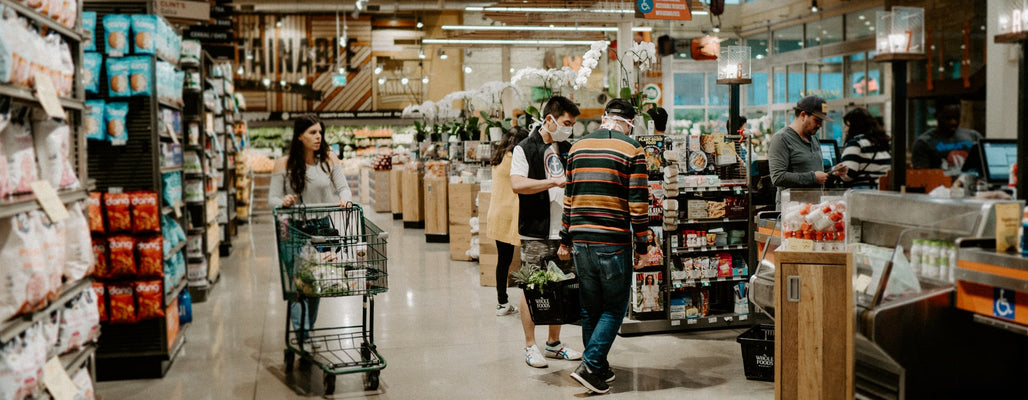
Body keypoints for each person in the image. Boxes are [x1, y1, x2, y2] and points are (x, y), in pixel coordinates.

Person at [559, 98, 649, 394]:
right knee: (614, 308)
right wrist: (643, 244)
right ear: (630, 123)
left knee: (590, 308)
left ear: (603, 118)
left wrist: (564, 238)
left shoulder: (576, 147)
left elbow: (568, 198)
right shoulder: (632, 149)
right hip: (612, 241)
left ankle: (598, 368)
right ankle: (590, 363)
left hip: (581, 239)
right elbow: (637, 202)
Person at [510, 95, 583, 368]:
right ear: (549, 119)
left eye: (572, 124)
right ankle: (530, 346)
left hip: (564, 231)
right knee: (533, 288)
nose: (569, 128)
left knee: (560, 287)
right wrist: (551, 182)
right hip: (536, 231)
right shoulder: (525, 148)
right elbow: (517, 184)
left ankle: (554, 343)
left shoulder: (569, 148)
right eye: (566, 122)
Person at [269, 114, 353, 347]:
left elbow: (344, 188)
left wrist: (345, 200)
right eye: (312, 133)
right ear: (299, 136)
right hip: (293, 228)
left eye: (320, 132)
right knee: (298, 283)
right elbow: (272, 199)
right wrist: (282, 201)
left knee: (317, 280)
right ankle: (304, 335)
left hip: (321, 228)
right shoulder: (283, 164)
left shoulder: (329, 159)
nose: (318, 137)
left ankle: (307, 330)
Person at [767, 95, 848, 210]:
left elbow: (812, 171)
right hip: (792, 211)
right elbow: (777, 177)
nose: (820, 125)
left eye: (821, 121)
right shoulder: (781, 139)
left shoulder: (813, 138)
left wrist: (833, 171)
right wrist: (813, 178)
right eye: (817, 120)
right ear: (803, 115)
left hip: (814, 209)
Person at [486, 126, 529, 316]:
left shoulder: (498, 158)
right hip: (512, 214)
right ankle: (530, 302)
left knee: (503, 260)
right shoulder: (515, 160)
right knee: (526, 259)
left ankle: (502, 302)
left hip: (497, 213)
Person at [911, 98, 983, 176]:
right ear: (936, 116)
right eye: (948, 118)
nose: (953, 122)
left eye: (956, 118)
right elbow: (923, 178)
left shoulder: (974, 136)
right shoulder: (924, 143)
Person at [838, 107, 891, 188]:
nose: (846, 129)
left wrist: (836, 171)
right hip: (884, 191)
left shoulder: (856, 143)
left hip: (863, 193)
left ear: (855, 126)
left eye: (848, 125)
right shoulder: (885, 142)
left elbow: (849, 175)